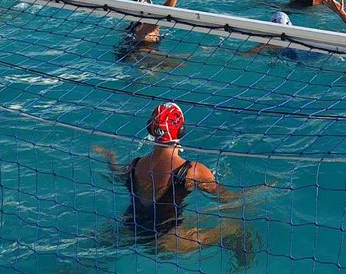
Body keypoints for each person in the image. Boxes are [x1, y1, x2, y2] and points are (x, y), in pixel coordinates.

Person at [92, 103, 256, 263]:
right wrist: (261, 192)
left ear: (150, 129)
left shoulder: (135, 165)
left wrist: (110, 157)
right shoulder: (192, 171)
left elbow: (117, 174)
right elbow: (228, 197)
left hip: (131, 230)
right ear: (181, 130)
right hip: (168, 242)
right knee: (234, 227)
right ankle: (244, 264)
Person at [121, 0, 192, 48]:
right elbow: (165, 12)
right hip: (141, 52)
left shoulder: (133, 26)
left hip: (136, 50)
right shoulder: (146, 28)